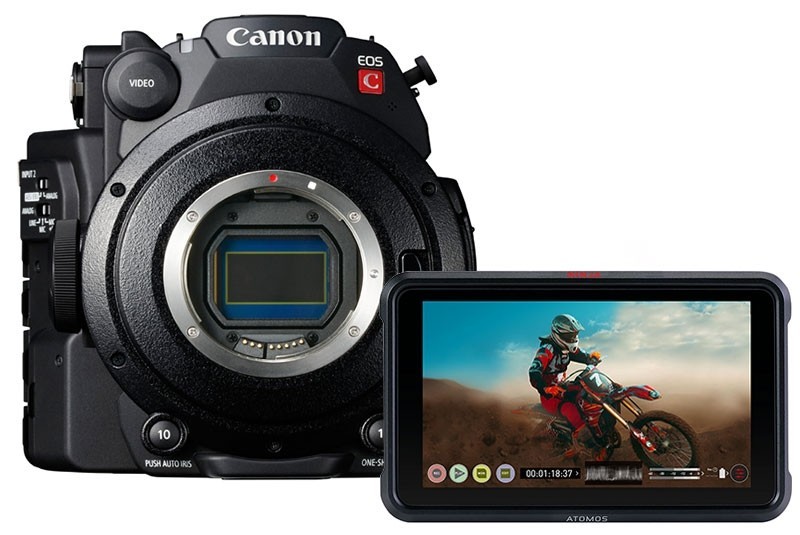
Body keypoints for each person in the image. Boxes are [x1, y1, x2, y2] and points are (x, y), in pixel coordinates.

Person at [528, 314, 602, 458]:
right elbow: (534, 371)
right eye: (569, 336)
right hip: (550, 395)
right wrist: (545, 388)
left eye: (574, 335)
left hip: (563, 386)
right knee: (571, 410)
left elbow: (581, 355)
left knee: (588, 392)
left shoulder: (566, 348)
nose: (573, 339)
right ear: (558, 334)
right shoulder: (547, 349)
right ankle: (589, 447)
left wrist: (591, 358)